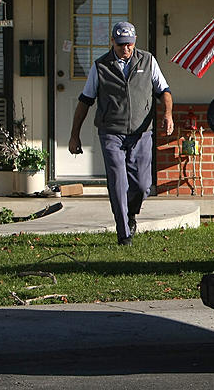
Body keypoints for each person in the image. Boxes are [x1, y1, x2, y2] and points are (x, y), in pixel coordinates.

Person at [68, 21, 174, 246]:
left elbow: (164, 90)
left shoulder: (148, 61)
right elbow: (85, 101)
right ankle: (124, 233)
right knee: (117, 183)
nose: (126, 49)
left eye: (130, 44)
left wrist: (168, 115)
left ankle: (130, 214)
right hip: (111, 132)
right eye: (121, 44)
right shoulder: (100, 66)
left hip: (141, 133)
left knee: (143, 185)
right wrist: (74, 134)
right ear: (112, 42)